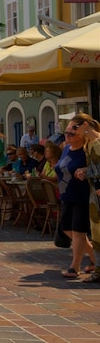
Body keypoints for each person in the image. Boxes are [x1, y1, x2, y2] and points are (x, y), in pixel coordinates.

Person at [56, 114, 98, 279]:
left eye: (72, 134)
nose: (68, 136)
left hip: (82, 195)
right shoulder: (66, 148)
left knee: (78, 231)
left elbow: (96, 168)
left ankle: (75, 266)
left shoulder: (87, 150)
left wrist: (86, 170)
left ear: (81, 133)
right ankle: (95, 258)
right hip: (67, 196)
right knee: (67, 229)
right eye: (66, 133)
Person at [77, 114, 100, 283]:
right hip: (94, 194)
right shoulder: (88, 145)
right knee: (97, 234)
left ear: (85, 125)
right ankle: (98, 270)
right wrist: (85, 170)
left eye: (76, 128)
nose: (76, 132)